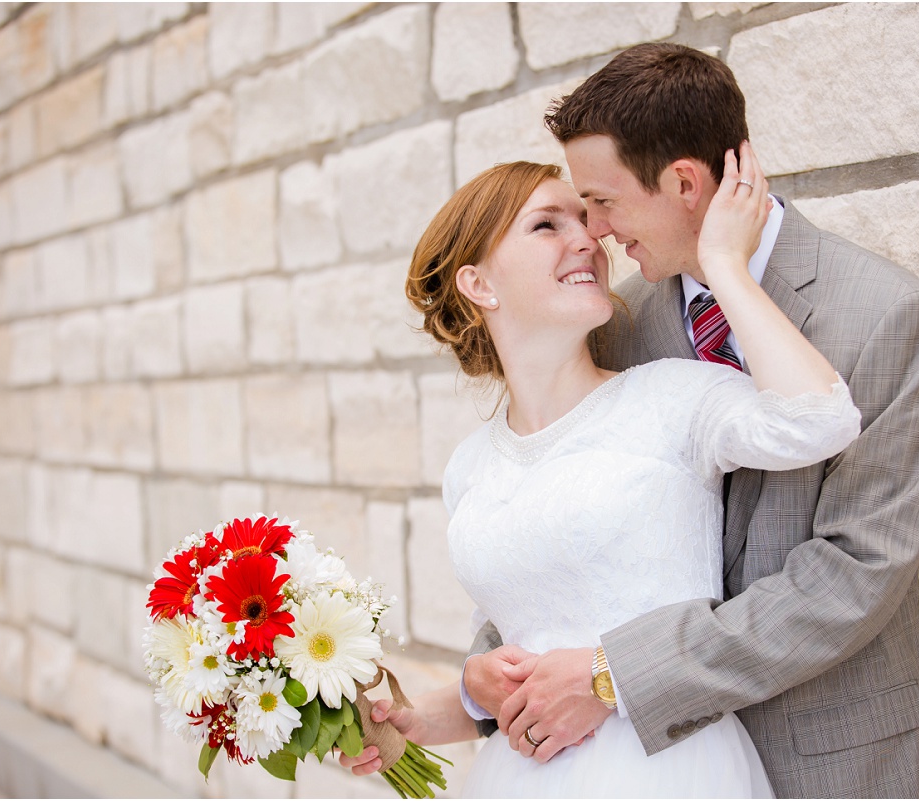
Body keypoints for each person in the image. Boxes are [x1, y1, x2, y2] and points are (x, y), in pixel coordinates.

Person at [443, 43, 919, 799]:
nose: (592, 232)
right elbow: (561, 528)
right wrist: (487, 670)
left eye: (601, 200)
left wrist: (614, 674)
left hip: (840, 762)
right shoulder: (620, 327)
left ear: (685, 182)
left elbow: (853, 575)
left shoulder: (886, 314)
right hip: (643, 764)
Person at [337, 144, 861, 798]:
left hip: (666, 768)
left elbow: (821, 419)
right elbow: (520, 634)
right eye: (547, 224)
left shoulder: (673, 396)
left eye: (584, 218)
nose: (587, 238)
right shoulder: (469, 467)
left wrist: (724, 265)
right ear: (478, 284)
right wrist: (446, 704)